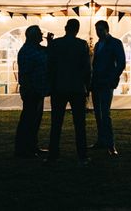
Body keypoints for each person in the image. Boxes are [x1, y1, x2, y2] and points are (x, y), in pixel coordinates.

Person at [47, 18, 91, 164]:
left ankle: (53, 154)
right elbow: (87, 68)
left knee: (56, 123)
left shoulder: (56, 44)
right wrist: (87, 86)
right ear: (77, 30)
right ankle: (82, 155)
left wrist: (51, 85)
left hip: (59, 87)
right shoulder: (81, 45)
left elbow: (50, 66)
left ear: (65, 28)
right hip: (77, 88)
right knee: (80, 124)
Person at [14, 24, 51, 158]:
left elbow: (48, 52)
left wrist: (50, 43)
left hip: (38, 90)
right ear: (33, 36)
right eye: (40, 33)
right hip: (31, 90)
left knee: (34, 120)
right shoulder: (27, 51)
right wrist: (29, 88)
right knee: (28, 120)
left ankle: (32, 146)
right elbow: (26, 74)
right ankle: (22, 149)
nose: (42, 35)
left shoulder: (36, 48)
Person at [90, 20, 126, 156]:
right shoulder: (98, 44)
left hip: (106, 82)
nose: (98, 33)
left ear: (106, 29)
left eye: (100, 30)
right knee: (98, 114)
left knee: (105, 113)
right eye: (97, 30)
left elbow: (121, 63)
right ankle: (101, 140)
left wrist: (113, 78)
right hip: (96, 83)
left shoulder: (115, 43)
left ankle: (111, 144)